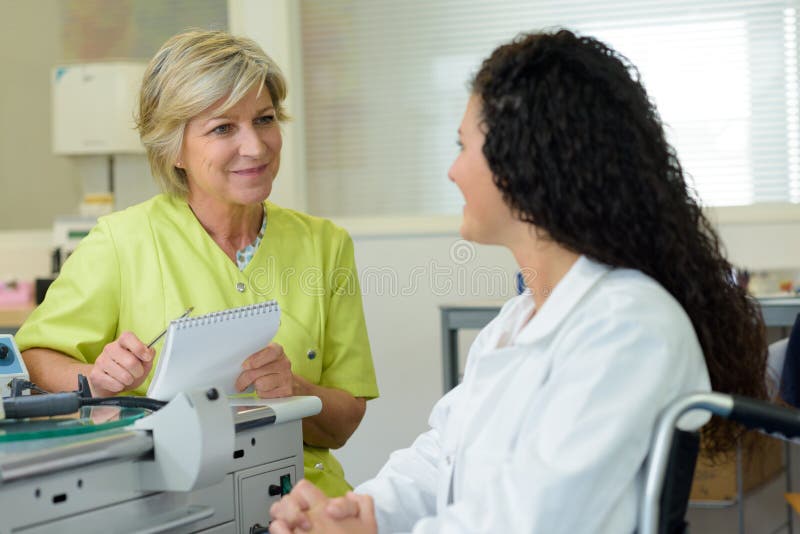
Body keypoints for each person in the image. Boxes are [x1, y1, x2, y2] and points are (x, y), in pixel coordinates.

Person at [268, 29, 767, 533]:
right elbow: (441, 456)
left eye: (463, 146)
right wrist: (359, 511)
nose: (453, 171)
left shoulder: (629, 326)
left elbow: (537, 519)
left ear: (523, 161)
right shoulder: (519, 319)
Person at [15, 29, 379, 497]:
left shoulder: (326, 246)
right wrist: (94, 380)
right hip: (167, 500)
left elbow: (345, 422)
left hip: (303, 499)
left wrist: (293, 388)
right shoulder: (121, 242)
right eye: (223, 128)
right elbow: (32, 360)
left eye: (265, 120)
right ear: (174, 148)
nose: (256, 146)